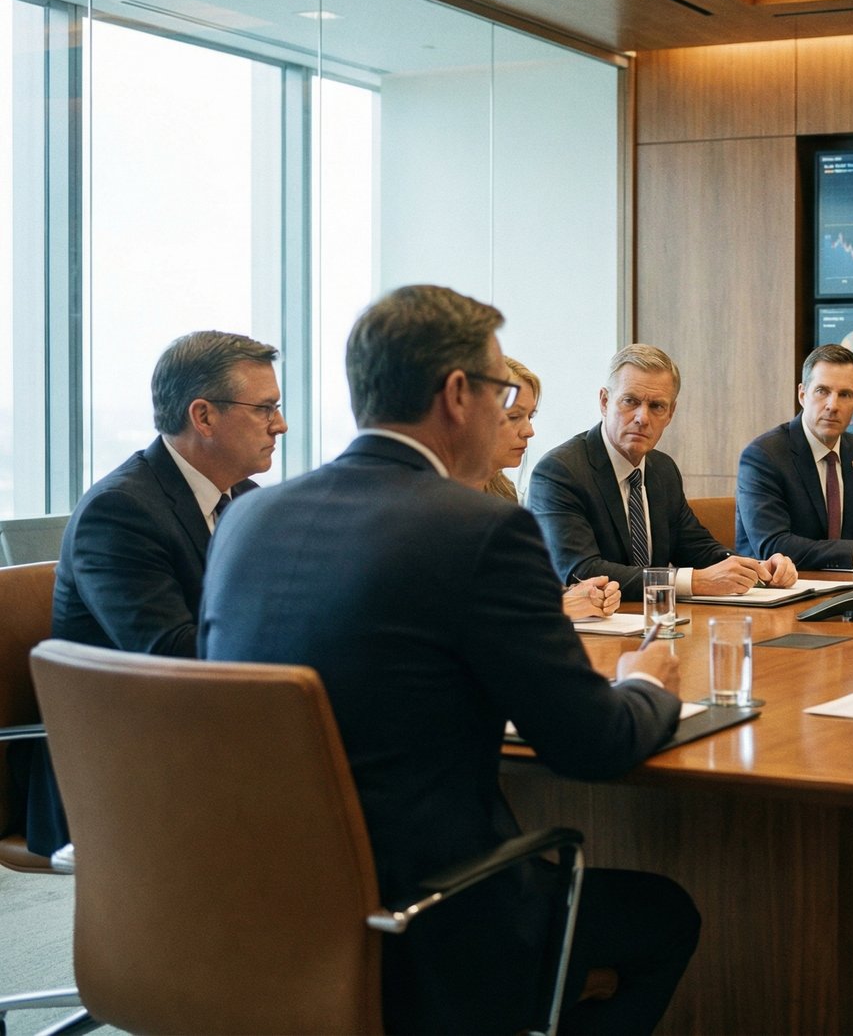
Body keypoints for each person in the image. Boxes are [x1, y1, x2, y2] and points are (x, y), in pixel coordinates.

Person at [199, 286, 699, 1034]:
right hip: (433, 906)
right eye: (503, 393)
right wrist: (645, 683)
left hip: (266, 900)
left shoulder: (246, 516)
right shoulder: (482, 528)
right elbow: (593, 744)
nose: (508, 414)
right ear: (459, 395)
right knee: (669, 915)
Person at [14, 330, 284, 857]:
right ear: (202, 416)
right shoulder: (120, 513)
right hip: (122, 759)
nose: (280, 424)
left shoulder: (244, 500)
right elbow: (171, 657)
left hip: (204, 733)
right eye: (265, 408)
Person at [529, 343, 796, 600]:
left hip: (657, 624)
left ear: (670, 413)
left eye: (656, 406)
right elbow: (582, 571)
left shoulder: (662, 469)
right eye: (630, 401)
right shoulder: (560, 472)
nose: (642, 417)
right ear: (604, 401)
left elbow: (697, 549)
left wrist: (757, 569)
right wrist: (694, 582)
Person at [734, 343, 853, 570]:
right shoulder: (764, 456)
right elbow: (773, 545)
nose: (832, 405)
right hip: (781, 593)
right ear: (802, 395)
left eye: (844, 394)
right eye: (822, 391)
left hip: (847, 589)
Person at [484, 356, 620, 622]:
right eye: (514, 417)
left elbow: (517, 587)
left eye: (530, 416)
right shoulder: (439, 504)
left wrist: (580, 594)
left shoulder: (504, 491)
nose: (529, 431)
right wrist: (559, 607)